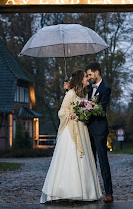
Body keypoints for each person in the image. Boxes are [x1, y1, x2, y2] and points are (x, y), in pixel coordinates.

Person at [40, 69, 102, 203]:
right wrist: (71, 115)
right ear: (80, 79)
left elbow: (85, 111)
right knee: (70, 159)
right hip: (71, 131)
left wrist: (83, 113)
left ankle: (85, 192)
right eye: (85, 76)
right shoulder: (71, 94)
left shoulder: (84, 95)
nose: (87, 78)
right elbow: (61, 112)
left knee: (83, 159)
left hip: (82, 129)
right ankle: (65, 192)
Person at [85, 62, 113, 202]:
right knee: (90, 162)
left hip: (100, 130)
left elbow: (100, 108)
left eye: (90, 74)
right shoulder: (88, 88)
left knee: (103, 161)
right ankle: (92, 192)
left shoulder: (106, 89)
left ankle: (108, 193)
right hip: (88, 129)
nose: (89, 77)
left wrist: (85, 111)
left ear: (97, 73)